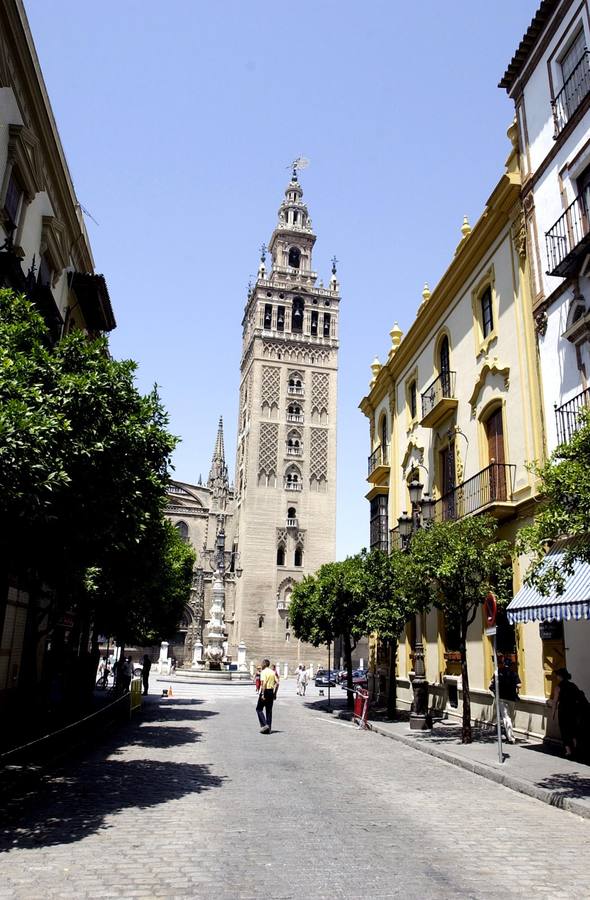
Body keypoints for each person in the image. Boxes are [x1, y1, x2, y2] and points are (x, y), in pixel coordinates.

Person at [553, 667, 588, 758]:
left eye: (557, 675)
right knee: (573, 728)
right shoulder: (573, 685)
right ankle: (576, 746)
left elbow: (555, 701)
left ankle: (568, 751)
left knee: (564, 730)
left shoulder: (558, 687)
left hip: (563, 710)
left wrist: (553, 713)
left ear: (559, 676)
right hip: (573, 710)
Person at [489, 657, 520, 744]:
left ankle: (510, 737)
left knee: (506, 717)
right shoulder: (514, 673)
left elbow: (492, 683)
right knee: (511, 717)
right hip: (511, 698)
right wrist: (514, 686)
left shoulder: (498, 672)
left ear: (503, 664)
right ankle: (510, 735)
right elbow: (519, 684)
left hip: (501, 697)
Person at [256, 658, 277, 734]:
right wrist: (275, 693)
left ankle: (264, 724)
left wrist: (262, 693)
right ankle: (269, 729)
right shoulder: (272, 672)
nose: (261, 664)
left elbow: (263, 683)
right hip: (271, 691)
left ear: (264, 664)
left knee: (259, 709)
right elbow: (277, 683)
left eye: (262, 663)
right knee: (269, 711)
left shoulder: (263, 672)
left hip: (265, 691)